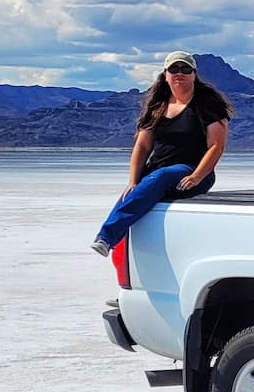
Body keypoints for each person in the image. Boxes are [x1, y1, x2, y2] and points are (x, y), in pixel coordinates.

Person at [90, 51, 231, 255]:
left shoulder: (208, 106)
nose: (179, 73)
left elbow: (216, 146)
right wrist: (133, 181)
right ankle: (106, 242)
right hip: (158, 171)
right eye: (174, 69)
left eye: (185, 69)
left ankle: (107, 235)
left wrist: (197, 176)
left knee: (162, 175)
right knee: (131, 194)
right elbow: (142, 147)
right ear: (165, 74)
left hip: (191, 169)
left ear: (194, 74)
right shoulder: (157, 107)